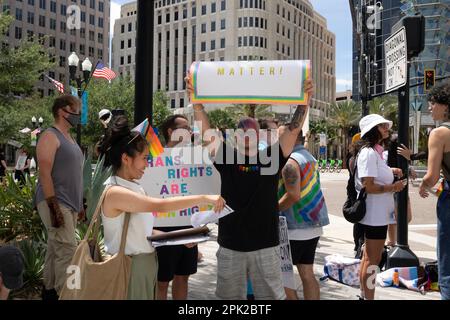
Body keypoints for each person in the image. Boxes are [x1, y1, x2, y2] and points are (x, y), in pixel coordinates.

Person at [186, 72, 313, 300]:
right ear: (235, 136)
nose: (247, 136)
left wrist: (305, 100)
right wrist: (197, 104)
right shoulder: (226, 157)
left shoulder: (272, 157)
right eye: (242, 131)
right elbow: (207, 132)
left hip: (265, 246)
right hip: (230, 246)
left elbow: (293, 128)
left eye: (252, 132)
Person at [100, 115, 225, 300]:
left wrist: (183, 237)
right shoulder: (115, 192)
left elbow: (145, 232)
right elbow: (161, 205)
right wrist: (204, 198)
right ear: (126, 158)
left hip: (143, 265)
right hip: (130, 267)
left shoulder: (133, 187)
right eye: (144, 158)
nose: (147, 164)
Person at [34, 95, 85, 300]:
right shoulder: (50, 135)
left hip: (69, 204)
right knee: (69, 252)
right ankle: (68, 295)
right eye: (75, 110)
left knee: (56, 250)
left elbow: (74, 173)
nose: (78, 115)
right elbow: (44, 173)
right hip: (55, 201)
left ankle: (49, 293)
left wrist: (80, 204)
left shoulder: (69, 138)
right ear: (63, 111)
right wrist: (54, 207)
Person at [353, 114, 406, 300]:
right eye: (382, 126)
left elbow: (374, 175)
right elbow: (369, 185)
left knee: (368, 258)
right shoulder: (368, 152)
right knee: (373, 262)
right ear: (372, 130)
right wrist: (394, 187)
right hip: (375, 215)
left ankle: (364, 296)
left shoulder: (373, 152)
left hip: (376, 214)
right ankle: (369, 297)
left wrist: (391, 171)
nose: (386, 128)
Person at [278, 130, 330, 300]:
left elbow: (293, 195)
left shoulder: (290, 162)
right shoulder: (309, 157)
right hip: (313, 224)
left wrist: (272, 210)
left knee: (282, 277)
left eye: (279, 136)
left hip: (295, 227)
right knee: (307, 273)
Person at [155, 114, 201, 300]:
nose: (189, 131)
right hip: (163, 229)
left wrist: (198, 229)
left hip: (189, 227)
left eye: (190, 127)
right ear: (170, 132)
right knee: (161, 281)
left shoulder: (193, 159)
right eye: (185, 127)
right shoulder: (155, 159)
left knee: (183, 277)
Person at [419, 82, 450, 300]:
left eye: (433, 103)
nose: (430, 108)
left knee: (447, 259)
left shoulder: (439, 133)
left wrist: (423, 184)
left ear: (446, 105)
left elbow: (431, 176)